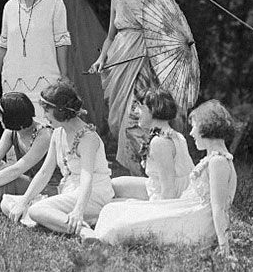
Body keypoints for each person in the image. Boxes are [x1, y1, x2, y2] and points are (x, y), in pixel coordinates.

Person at [89, 0, 199, 172]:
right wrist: (101, 58)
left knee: (138, 117)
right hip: (119, 61)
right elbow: (111, 36)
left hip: (146, 64)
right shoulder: (117, 1)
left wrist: (156, 50)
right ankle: (137, 172)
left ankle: (151, 170)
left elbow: (171, 34)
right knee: (118, 121)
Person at [91, 99, 238, 261]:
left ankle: (95, 237)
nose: (192, 133)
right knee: (112, 210)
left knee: (120, 225)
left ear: (207, 126)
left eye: (195, 126)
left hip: (195, 224)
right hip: (186, 212)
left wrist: (224, 248)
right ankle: (95, 235)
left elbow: (219, 209)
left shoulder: (219, 161)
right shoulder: (212, 159)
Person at [8, 81, 112, 235]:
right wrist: (23, 201)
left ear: (60, 111)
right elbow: (44, 172)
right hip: (69, 190)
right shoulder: (58, 133)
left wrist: (78, 210)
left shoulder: (88, 138)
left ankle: (83, 231)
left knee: (36, 210)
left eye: (47, 111)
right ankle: (65, 221)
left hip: (93, 193)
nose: (44, 116)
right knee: (9, 202)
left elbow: (87, 178)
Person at [107, 88, 194, 203]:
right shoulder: (173, 134)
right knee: (113, 185)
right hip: (160, 186)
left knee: (114, 206)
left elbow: (169, 191)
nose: (136, 112)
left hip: (173, 198)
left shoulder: (160, 142)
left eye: (140, 107)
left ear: (152, 110)